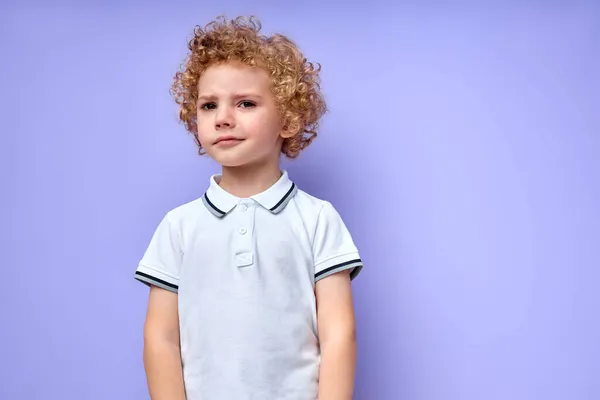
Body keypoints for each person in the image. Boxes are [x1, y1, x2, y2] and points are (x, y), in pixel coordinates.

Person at [134, 15, 364, 400]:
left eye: (245, 103)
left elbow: (339, 334)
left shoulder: (317, 219)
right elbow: (160, 338)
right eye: (209, 105)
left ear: (288, 118)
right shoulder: (178, 226)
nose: (223, 118)